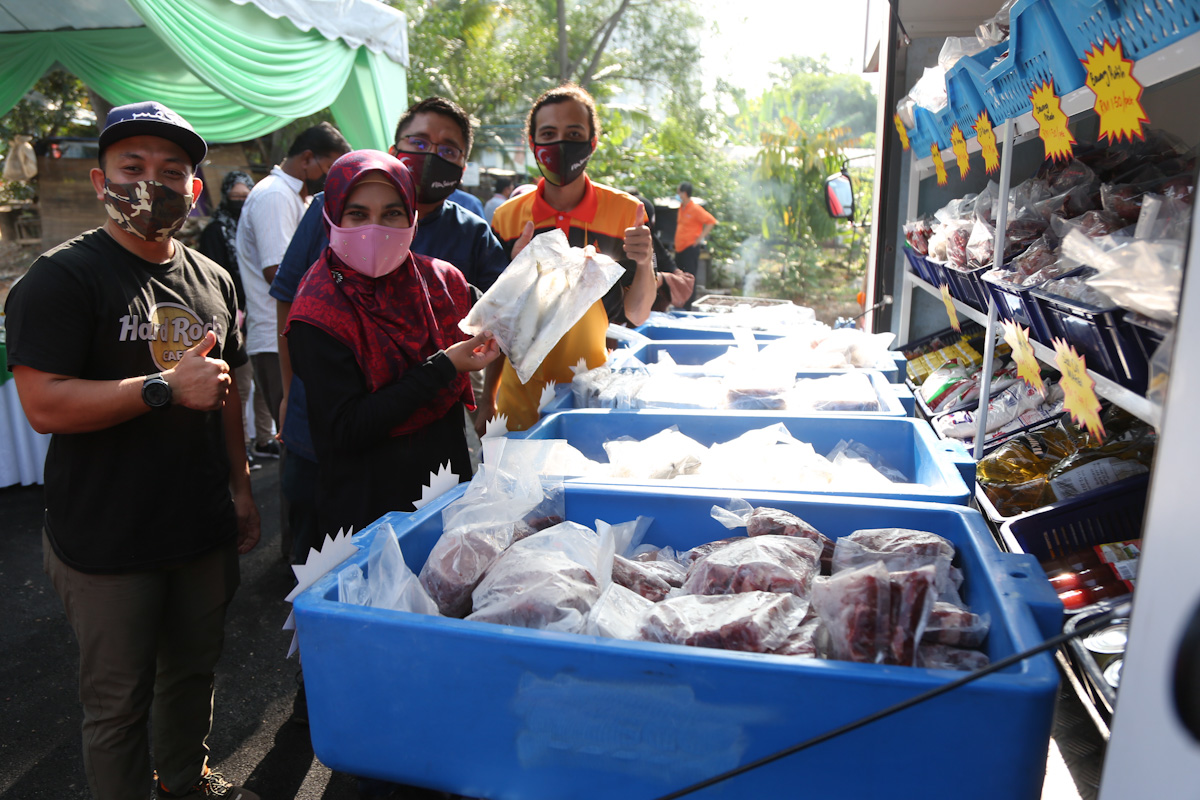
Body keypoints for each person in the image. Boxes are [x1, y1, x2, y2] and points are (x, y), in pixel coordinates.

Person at [4, 101, 261, 800]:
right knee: (117, 705)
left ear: (195, 189)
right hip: (105, 538)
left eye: (172, 171)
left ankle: (185, 780)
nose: (153, 184)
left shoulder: (213, 277)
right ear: (100, 181)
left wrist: (240, 489)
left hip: (199, 526)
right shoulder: (61, 279)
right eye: (133, 167)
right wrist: (159, 389)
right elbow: (42, 404)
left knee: (193, 674)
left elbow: (226, 393)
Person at [270, 96, 508, 565]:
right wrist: (446, 367)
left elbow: (504, 314)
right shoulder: (320, 309)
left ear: (411, 220)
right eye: (357, 214)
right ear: (333, 217)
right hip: (361, 503)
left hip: (438, 483)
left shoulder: (441, 279)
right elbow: (346, 428)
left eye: (392, 214)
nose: (374, 228)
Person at [483, 83, 655, 432]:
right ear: (533, 144)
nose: (560, 143)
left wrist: (645, 260)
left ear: (592, 141)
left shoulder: (626, 213)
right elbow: (498, 323)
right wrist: (487, 398)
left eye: (573, 133)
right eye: (549, 133)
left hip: (589, 394)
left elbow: (637, 313)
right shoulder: (508, 218)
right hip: (518, 399)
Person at [236, 122, 350, 460]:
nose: (332, 180)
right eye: (331, 169)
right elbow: (280, 273)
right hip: (279, 337)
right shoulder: (274, 195)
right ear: (307, 159)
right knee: (298, 445)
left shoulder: (291, 195)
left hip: (294, 334)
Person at [198, 170, 272, 467]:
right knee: (239, 386)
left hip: (261, 313)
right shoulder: (216, 231)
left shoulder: (257, 227)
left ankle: (265, 438)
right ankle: (241, 447)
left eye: (246, 197)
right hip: (234, 319)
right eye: (235, 197)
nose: (241, 202)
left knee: (265, 384)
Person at [630, 191, 695, 312]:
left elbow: (684, 282)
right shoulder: (611, 244)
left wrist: (660, 279)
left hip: (649, 315)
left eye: (643, 224)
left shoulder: (654, 244)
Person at [674, 180, 717, 308]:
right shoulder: (681, 208)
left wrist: (700, 238)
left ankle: (688, 305)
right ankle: (679, 301)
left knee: (689, 276)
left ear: (684, 193)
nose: (677, 195)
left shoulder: (695, 208)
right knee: (679, 276)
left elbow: (711, 221)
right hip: (679, 248)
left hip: (690, 248)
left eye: (679, 192)